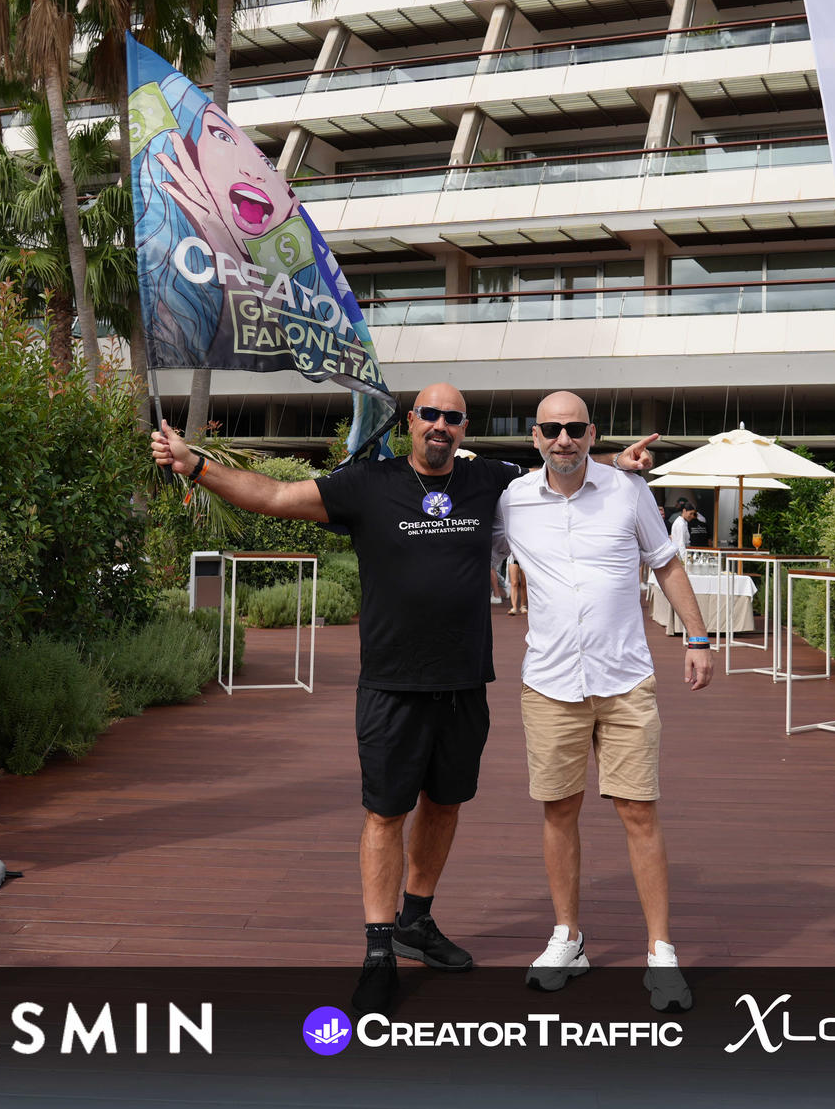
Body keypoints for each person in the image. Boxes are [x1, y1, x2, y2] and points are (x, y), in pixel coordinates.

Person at [149, 384, 655, 1017]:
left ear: (464, 427)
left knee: (444, 804)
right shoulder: (367, 483)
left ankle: (416, 920)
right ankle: (378, 950)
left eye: (453, 418)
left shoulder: (489, 481)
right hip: (391, 683)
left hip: (464, 683)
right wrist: (196, 465)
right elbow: (274, 496)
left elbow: (560, 468)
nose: (440, 425)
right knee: (386, 814)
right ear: (410, 422)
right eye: (430, 415)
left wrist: (614, 464)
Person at [495, 391, 715, 1014]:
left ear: (591, 433)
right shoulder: (512, 501)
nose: (562, 439)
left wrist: (698, 638)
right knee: (558, 811)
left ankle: (661, 951)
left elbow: (666, 563)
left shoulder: (627, 491)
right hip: (550, 682)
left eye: (574, 428)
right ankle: (568, 938)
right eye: (551, 429)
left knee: (639, 812)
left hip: (624, 679)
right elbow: (465, 547)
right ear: (535, 437)